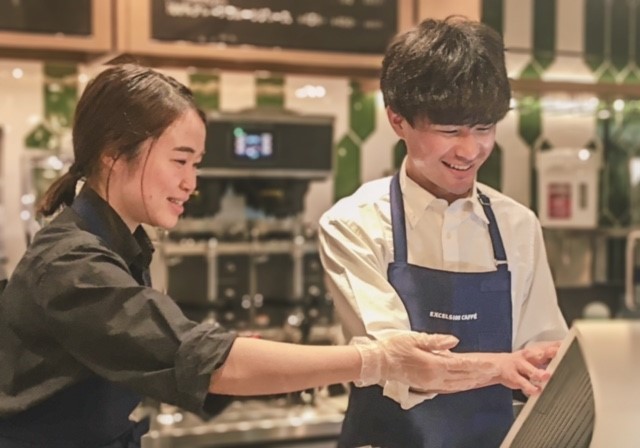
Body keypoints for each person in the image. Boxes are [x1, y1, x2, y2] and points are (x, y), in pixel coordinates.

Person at [0, 63, 514, 448]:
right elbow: (202, 360)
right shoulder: (72, 265)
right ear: (114, 154)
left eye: (196, 164)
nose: (191, 183)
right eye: (180, 161)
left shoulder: (119, 246)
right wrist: (378, 360)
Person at [318, 16, 569, 448]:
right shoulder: (354, 225)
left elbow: (544, 358)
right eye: (450, 131)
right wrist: (501, 367)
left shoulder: (518, 225)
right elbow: (399, 364)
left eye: (484, 129)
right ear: (398, 121)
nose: (470, 150)